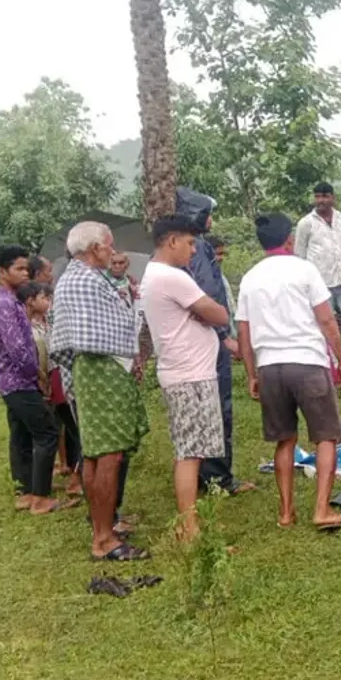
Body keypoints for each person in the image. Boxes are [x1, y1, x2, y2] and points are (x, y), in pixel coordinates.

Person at [236, 212, 341, 531]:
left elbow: (244, 333)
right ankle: (321, 510)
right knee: (326, 437)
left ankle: (286, 513)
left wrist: (251, 374)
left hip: (270, 366)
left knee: (284, 440)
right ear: (289, 239)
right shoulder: (305, 270)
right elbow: (326, 319)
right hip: (307, 362)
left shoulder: (250, 278)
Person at [51, 221, 151, 561]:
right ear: (94, 248)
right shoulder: (84, 281)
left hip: (98, 372)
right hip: (100, 371)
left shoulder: (81, 278)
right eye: (109, 245)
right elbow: (101, 333)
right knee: (108, 454)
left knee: (97, 453)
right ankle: (104, 539)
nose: (113, 250)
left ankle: (103, 528)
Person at [141, 215, 232, 542]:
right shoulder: (172, 277)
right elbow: (220, 314)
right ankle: (189, 529)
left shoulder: (153, 274)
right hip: (189, 375)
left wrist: (201, 313)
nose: (194, 250)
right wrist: (206, 312)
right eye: (190, 243)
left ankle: (189, 522)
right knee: (190, 454)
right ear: (172, 241)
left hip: (183, 371)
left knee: (190, 450)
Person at [0, 245, 69, 515]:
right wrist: (38, 376)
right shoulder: (5, 304)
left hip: (12, 380)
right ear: (2, 271)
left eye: (26, 268)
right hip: (19, 380)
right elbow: (18, 349)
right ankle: (40, 497)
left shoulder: (9, 300)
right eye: (19, 268)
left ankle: (26, 491)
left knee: (21, 434)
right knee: (47, 433)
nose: (25, 273)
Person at [185, 210, 254, 496]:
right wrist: (224, 334)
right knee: (216, 407)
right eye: (208, 215)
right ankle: (217, 477)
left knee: (195, 411)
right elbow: (209, 296)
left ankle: (199, 474)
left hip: (188, 346)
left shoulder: (171, 258)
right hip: (209, 342)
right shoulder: (200, 248)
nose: (211, 220)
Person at [19, 281, 82, 496]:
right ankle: (73, 478)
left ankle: (73, 473)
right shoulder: (27, 327)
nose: (49, 302)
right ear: (30, 301)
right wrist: (42, 380)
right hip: (51, 381)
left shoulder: (48, 322)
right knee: (65, 429)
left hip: (57, 378)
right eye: (44, 298)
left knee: (71, 429)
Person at [296, 183, 341, 343]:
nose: (320, 200)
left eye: (324, 196)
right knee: (326, 325)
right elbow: (299, 256)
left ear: (333, 198)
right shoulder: (306, 223)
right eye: (317, 196)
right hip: (320, 285)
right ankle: (330, 357)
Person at [211, 237, 240, 346]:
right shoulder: (207, 280)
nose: (221, 258)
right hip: (218, 338)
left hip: (229, 335)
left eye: (222, 254)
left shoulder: (221, 276)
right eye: (218, 254)